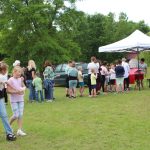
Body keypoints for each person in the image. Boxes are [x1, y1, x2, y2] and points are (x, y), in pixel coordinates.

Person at [7, 66, 26, 136]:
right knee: (16, 115)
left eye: (20, 72)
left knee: (20, 115)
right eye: (19, 72)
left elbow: (22, 87)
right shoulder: (10, 80)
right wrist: (16, 92)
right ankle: (8, 126)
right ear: (14, 72)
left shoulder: (20, 79)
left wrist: (22, 82)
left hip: (21, 99)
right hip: (14, 100)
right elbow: (8, 91)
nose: (20, 74)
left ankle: (19, 130)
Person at [0, 62, 16, 141]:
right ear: (2, 70)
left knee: (4, 115)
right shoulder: (2, 77)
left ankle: (9, 133)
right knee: (4, 115)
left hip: (1, 98)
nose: (6, 71)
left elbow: (7, 85)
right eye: (5, 69)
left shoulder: (3, 77)